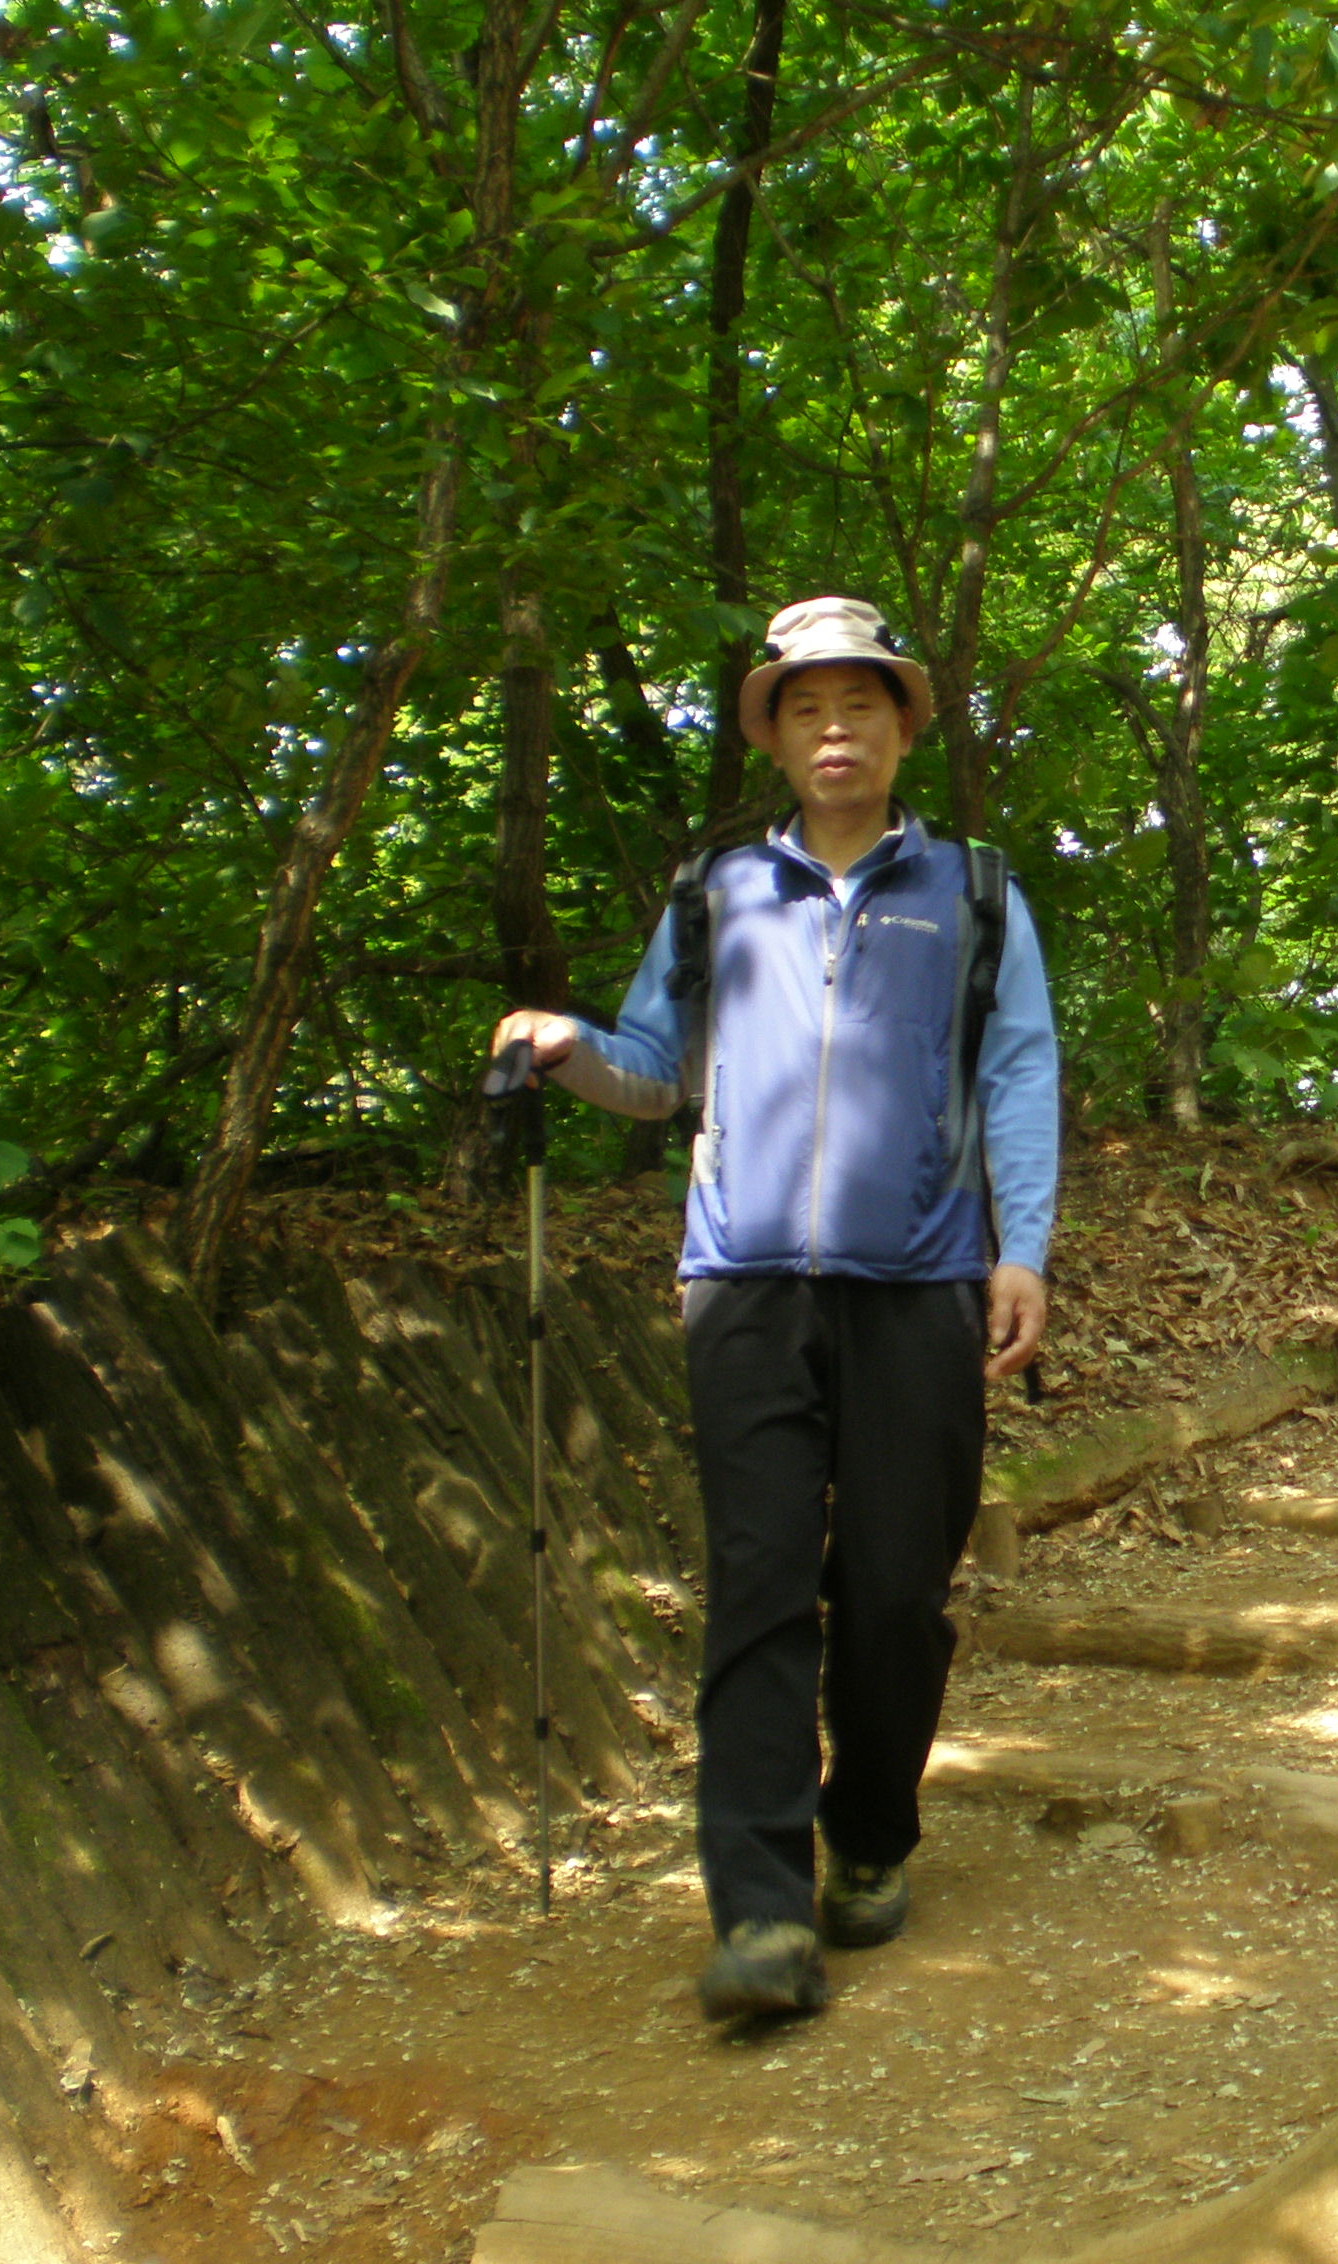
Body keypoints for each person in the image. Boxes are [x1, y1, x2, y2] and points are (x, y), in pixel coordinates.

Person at [488, 595, 1057, 2023]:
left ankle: (869, 1833)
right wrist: (564, 1046)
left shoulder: (975, 893)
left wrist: (1024, 1250)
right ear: (774, 736)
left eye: (859, 703)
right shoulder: (718, 893)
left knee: (895, 1595)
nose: (834, 728)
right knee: (757, 1587)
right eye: (806, 708)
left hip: (922, 1282)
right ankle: (757, 1910)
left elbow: (1018, 1072)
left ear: (902, 726)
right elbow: (652, 1067)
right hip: (741, 1284)